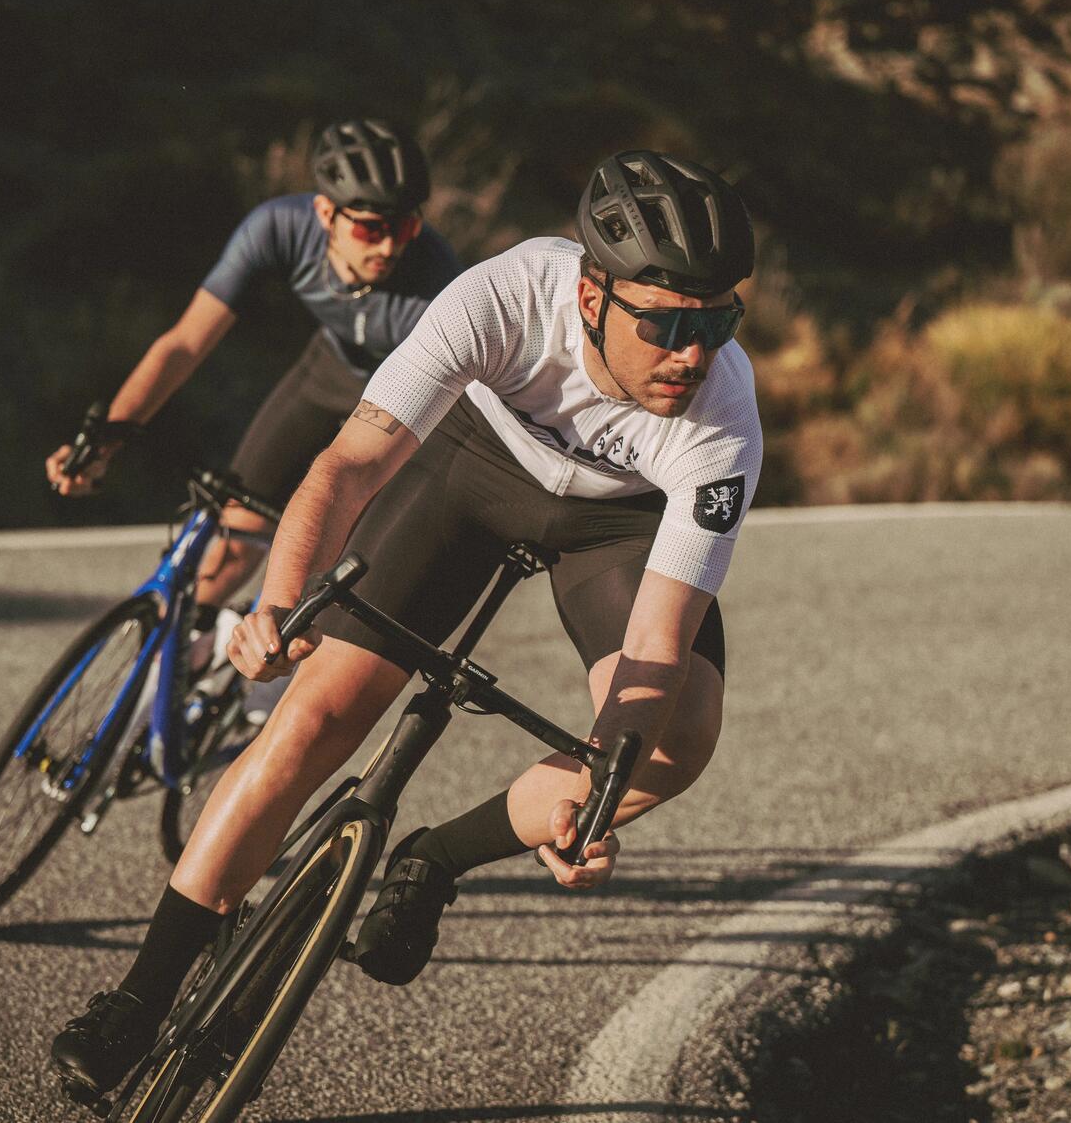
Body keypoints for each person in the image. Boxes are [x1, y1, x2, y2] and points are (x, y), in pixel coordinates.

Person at [50, 150, 760, 1102]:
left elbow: (660, 643)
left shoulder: (723, 420)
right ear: (591, 293)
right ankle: (139, 998)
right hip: (471, 468)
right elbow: (347, 465)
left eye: (719, 322)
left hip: (615, 519)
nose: (694, 353)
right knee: (317, 714)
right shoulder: (500, 298)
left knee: (677, 738)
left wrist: (598, 794)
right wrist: (277, 602)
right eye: (668, 323)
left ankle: (435, 857)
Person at [44, 118, 462, 674]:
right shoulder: (277, 228)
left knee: (337, 563)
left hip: (403, 408)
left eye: (406, 228)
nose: (389, 246)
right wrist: (109, 436)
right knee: (236, 523)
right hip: (327, 374)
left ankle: (267, 689)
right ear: (325, 214)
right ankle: (187, 663)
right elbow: (186, 342)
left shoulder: (436, 284)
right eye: (369, 229)